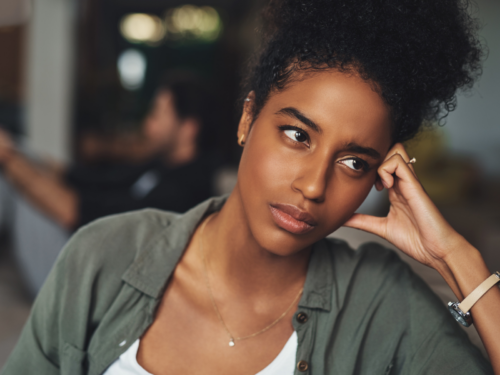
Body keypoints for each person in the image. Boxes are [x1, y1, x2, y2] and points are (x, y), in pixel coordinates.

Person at [2, 0, 499, 374]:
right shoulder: (103, 256)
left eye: (353, 162)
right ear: (247, 118)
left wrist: (457, 258)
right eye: (297, 135)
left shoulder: (383, 303)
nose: (312, 186)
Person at [0, 73, 217, 295]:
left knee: (19, 182)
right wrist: (16, 152)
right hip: (87, 254)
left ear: (188, 128)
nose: (148, 122)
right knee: (22, 153)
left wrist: (9, 158)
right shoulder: (160, 165)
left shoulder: (183, 190)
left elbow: (73, 212)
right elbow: (92, 181)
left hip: (90, 284)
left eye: (158, 113)